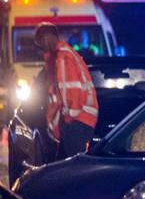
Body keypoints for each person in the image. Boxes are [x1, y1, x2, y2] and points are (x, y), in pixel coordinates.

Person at [33, 22, 99, 158]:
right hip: (80, 119)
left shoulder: (63, 57)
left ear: (46, 38)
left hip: (77, 121)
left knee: (74, 169)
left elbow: (70, 91)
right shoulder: (67, 54)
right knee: (63, 166)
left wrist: (68, 117)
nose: (41, 49)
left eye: (40, 44)